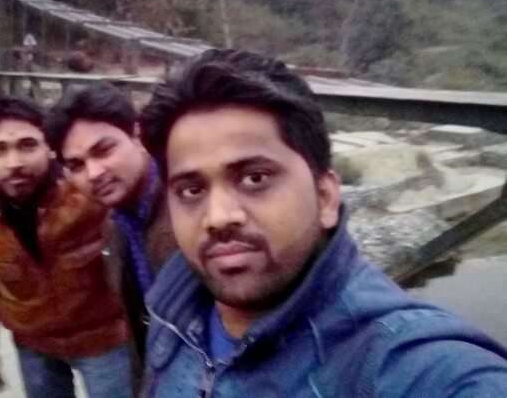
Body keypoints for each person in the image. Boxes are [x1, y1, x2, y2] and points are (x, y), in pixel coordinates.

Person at [138, 49, 507, 397]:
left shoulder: (402, 360)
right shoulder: (174, 301)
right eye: (191, 190)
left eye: (255, 178)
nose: (218, 217)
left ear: (326, 197)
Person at [0, 97, 132, 398]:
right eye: (0, 149)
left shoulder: (89, 194)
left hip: (105, 341)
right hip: (33, 345)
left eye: (27, 145)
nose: (14, 163)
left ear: (49, 148)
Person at [47, 83, 176, 359]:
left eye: (104, 150)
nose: (93, 173)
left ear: (137, 136)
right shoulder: (116, 225)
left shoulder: (185, 208)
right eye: (76, 166)